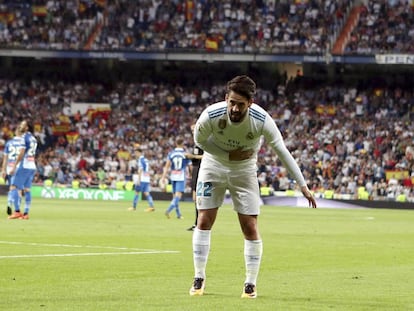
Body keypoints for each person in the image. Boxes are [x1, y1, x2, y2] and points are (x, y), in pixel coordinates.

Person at [189, 75, 317, 298]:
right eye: (232, 102)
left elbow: (282, 151)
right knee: (203, 220)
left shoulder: (261, 120)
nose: (235, 108)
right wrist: (228, 154)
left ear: (250, 103)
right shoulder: (211, 114)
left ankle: (250, 283)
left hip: (244, 170)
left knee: (250, 226)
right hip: (213, 166)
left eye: (240, 104)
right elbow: (199, 142)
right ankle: (199, 277)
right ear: (226, 99)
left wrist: (302, 185)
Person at [8, 120, 38, 220]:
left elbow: (21, 153)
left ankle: (17, 212)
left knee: (14, 187)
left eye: (23, 125)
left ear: (27, 127)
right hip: (32, 165)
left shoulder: (24, 137)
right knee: (27, 189)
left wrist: (14, 166)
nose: (21, 126)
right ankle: (26, 214)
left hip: (24, 166)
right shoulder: (34, 139)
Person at [160, 136, 191, 219]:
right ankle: (168, 210)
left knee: (174, 196)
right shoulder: (185, 154)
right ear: (183, 144)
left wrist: (163, 177)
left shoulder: (171, 153)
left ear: (175, 143)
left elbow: (166, 166)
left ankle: (178, 215)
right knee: (178, 196)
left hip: (173, 176)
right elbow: (190, 166)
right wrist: (191, 174)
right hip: (181, 176)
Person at [1, 128, 24, 215]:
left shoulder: (9, 143)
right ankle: (17, 209)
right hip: (19, 167)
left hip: (9, 167)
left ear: (15, 133)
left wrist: (3, 169)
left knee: (12, 187)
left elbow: (5, 158)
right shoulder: (23, 143)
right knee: (19, 189)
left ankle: (9, 203)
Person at [185, 124, 204, 231]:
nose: (193, 132)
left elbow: (207, 155)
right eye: (191, 130)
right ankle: (197, 223)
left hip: (202, 171)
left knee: (199, 198)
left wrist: (193, 156)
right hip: (195, 171)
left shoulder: (203, 141)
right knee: (195, 198)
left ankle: (199, 223)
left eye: (194, 129)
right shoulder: (196, 142)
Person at [129, 148, 155, 212]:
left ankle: (134, 207)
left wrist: (139, 179)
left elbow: (140, 169)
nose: (135, 154)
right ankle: (151, 206)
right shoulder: (146, 160)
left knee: (137, 192)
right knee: (146, 193)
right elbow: (147, 169)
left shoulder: (140, 160)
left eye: (136, 153)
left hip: (142, 178)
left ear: (139, 152)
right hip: (146, 178)